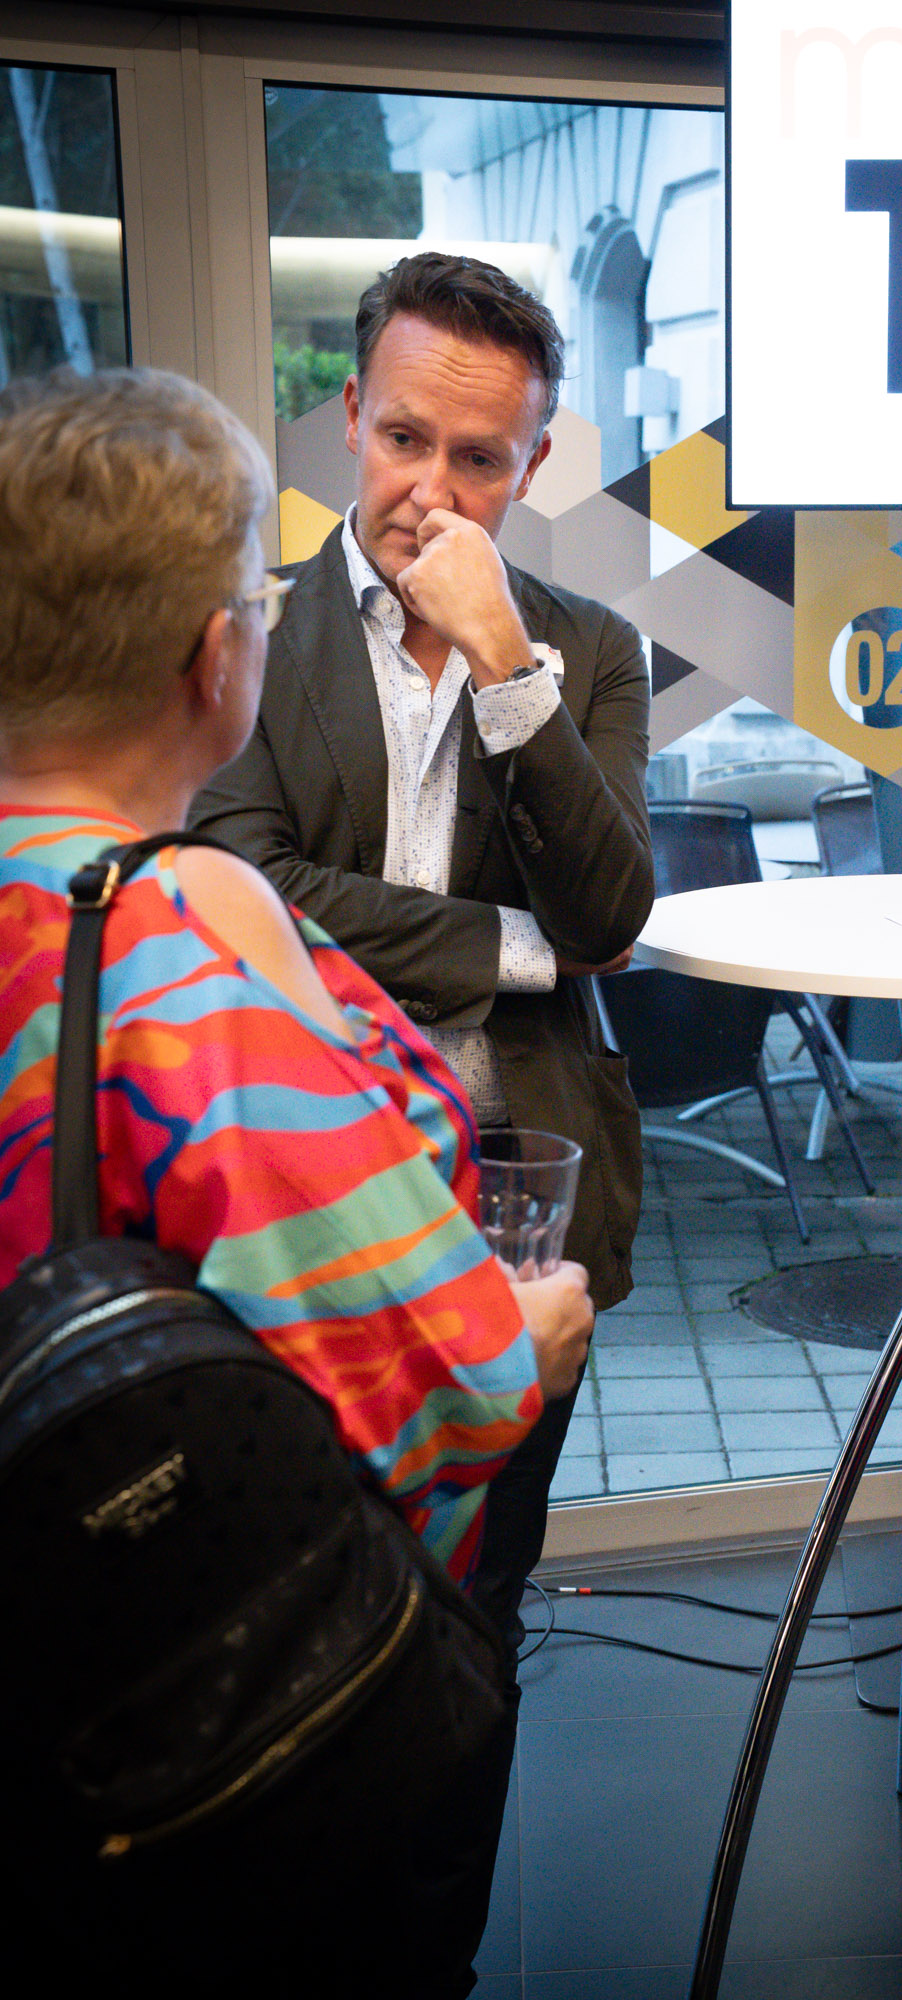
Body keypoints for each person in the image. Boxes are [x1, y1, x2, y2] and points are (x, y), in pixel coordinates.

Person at [0, 364, 594, 1994]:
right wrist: (529, 1336)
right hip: (165, 1758)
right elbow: (440, 1379)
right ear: (218, 662)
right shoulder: (179, 968)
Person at [188, 251, 654, 1676]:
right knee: (293, 1578)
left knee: (485, 1590)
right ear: (349, 416)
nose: (430, 491)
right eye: (403, 438)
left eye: (479, 458)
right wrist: (519, 948)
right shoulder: (249, 628)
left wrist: (509, 670)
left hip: (516, 1182)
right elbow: (246, 884)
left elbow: (609, 915)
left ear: (535, 465)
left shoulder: (587, 653)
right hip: (302, 1164)